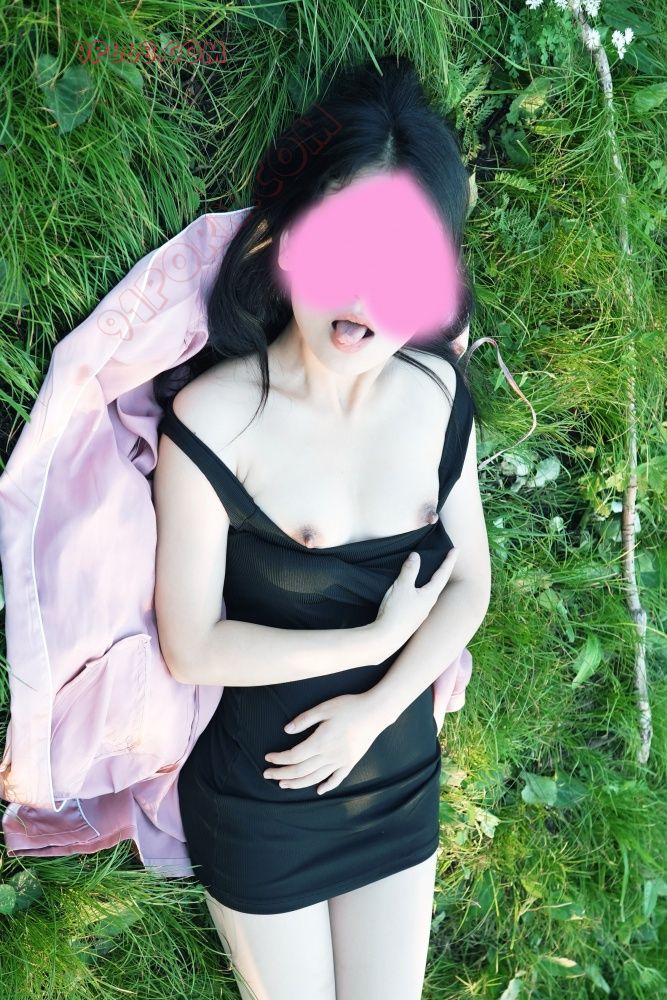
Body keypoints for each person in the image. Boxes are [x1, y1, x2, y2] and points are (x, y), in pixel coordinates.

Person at [152, 54, 491, 1000]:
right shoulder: (218, 421)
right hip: (265, 797)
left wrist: (379, 704)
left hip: (396, 775)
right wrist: (371, 642)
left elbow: (471, 581)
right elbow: (189, 645)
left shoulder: (434, 395)